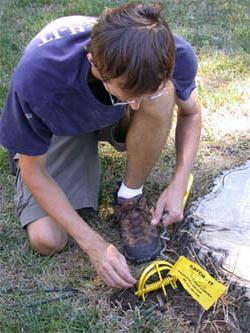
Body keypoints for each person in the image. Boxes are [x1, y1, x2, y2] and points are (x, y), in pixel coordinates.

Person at [0, 3, 201, 288]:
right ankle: (82, 147)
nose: (134, 107)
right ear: (93, 61)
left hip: (101, 101)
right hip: (61, 118)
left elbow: (191, 113)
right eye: (129, 94)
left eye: (142, 96)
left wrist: (180, 180)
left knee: (161, 96)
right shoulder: (39, 78)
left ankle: (130, 197)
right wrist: (94, 243)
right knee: (47, 239)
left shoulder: (168, 52)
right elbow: (35, 172)